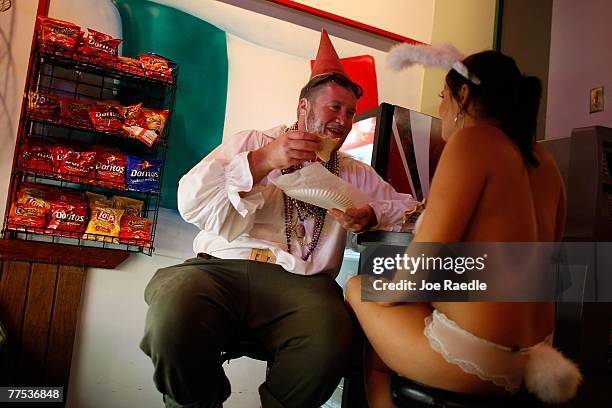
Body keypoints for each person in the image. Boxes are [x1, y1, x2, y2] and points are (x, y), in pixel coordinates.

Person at [139, 30, 419, 408]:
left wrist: (371, 214)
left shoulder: (353, 172)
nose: (343, 120)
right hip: (220, 269)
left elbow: (407, 212)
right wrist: (265, 160)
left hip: (302, 285)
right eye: (334, 107)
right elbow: (191, 199)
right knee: (173, 315)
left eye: (350, 112)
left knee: (331, 335)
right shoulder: (253, 141)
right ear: (303, 107)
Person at [346, 48, 581, 407]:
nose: (441, 110)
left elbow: (422, 264)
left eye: (443, 96)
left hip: (479, 355)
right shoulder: (545, 161)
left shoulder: (473, 142)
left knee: (360, 288)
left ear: (464, 96)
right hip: (538, 352)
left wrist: (388, 292)